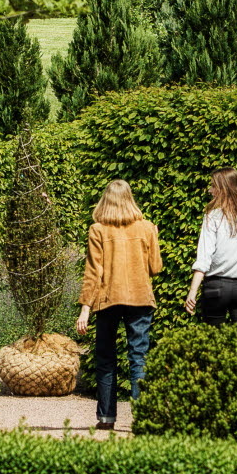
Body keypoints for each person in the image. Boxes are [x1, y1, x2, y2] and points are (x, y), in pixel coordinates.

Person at [73, 179, 161, 432]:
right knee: (139, 358)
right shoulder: (145, 228)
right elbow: (155, 268)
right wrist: (154, 237)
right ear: (130, 198)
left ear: (105, 200)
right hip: (140, 298)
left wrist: (85, 307)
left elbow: (93, 272)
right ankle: (141, 419)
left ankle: (106, 418)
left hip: (108, 299)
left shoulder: (98, 229)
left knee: (106, 359)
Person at [186, 168, 237, 334]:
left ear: (224, 189)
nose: (210, 190)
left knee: (214, 346)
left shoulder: (213, 217)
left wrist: (192, 291)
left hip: (216, 287)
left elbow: (203, 258)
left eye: (214, 186)